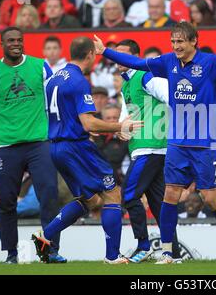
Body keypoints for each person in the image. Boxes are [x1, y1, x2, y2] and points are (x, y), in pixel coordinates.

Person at [93, 22, 216, 264]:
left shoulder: (211, 63)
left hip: (206, 142)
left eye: (180, 41)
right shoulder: (167, 61)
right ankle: (168, 252)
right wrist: (104, 51)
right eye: (173, 41)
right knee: (170, 194)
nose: (175, 46)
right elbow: (136, 63)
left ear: (193, 41)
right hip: (178, 141)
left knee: (210, 199)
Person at [31, 36, 143, 265]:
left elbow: (60, 114)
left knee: (90, 201)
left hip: (57, 147)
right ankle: (112, 256)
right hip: (76, 148)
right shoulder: (78, 80)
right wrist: (119, 126)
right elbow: (89, 124)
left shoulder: (55, 78)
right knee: (112, 193)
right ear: (91, 54)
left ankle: (46, 236)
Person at [0, 27, 64, 264]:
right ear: (1, 44)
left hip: (39, 143)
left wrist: (60, 134)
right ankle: (11, 253)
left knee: (49, 194)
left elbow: (54, 102)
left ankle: (49, 250)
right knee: (6, 201)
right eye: (11, 40)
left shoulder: (40, 67)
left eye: (19, 40)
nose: (16, 44)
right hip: (7, 147)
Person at [114, 39, 181, 263]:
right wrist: (121, 129)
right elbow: (125, 119)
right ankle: (174, 253)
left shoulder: (145, 76)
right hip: (148, 148)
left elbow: (172, 96)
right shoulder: (126, 85)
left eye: (123, 55)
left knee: (130, 195)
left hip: (149, 147)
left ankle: (144, 246)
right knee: (159, 203)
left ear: (134, 57)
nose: (118, 60)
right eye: (116, 55)